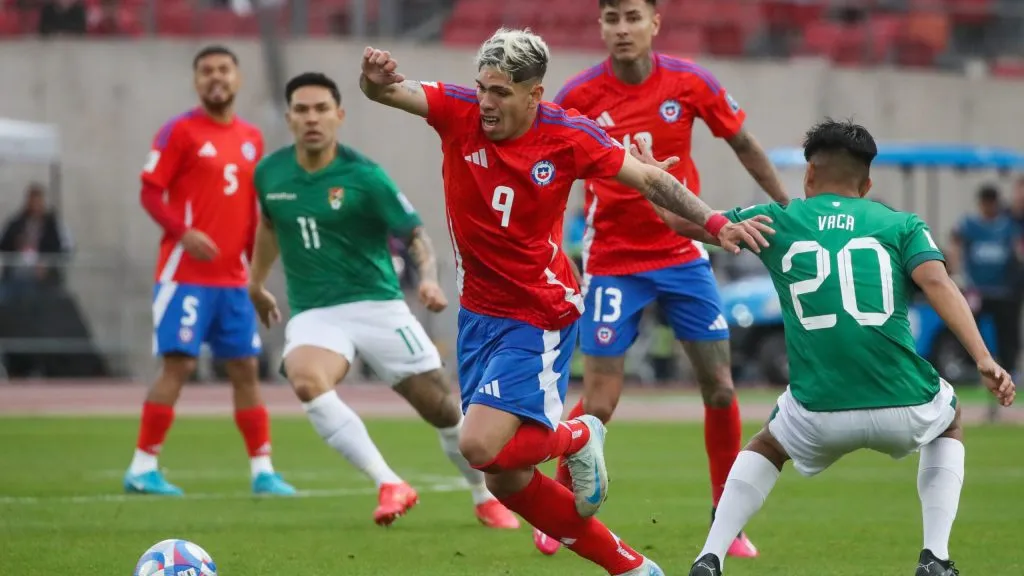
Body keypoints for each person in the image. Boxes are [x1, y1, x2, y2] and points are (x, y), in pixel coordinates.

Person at [359, 27, 772, 575]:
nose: (486, 102)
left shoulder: (568, 135)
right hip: (477, 315)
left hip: (539, 312)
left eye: (502, 92)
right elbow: (389, 92)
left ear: (535, 94)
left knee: (478, 446)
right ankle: (631, 566)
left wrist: (714, 222)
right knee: (504, 479)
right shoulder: (456, 111)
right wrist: (373, 80)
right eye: (483, 87)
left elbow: (649, 179)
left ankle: (576, 434)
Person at [646, 119, 1016, 576]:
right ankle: (935, 557)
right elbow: (938, 282)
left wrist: (651, 180)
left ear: (808, 175)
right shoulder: (900, 224)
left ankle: (710, 556)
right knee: (950, 420)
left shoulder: (776, 220)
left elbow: (681, 221)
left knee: (767, 446)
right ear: (867, 183)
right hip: (901, 401)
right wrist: (984, 359)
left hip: (818, 410)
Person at [545, 0, 790, 558]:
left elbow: (744, 143)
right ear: (600, 26)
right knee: (601, 400)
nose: (622, 28)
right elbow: (550, 169)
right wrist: (552, 244)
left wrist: (786, 206)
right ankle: (555, 505)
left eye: (633, 16)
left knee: (721, 386)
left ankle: (726, 521)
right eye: (611, 18)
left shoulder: (689, 82)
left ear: (655, 22)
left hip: (683, 254)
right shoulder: (579, 96)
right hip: (611, 260)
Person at [248, 72, 520, 529]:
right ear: (289, 117)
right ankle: (388, 482)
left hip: (379, 305)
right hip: (317, 312)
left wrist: (429, 280)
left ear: (339, 116)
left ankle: (482, 494)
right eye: (301, 109)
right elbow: (271, 226)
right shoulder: (269, 173)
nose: (311, 118)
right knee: (307, 380)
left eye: (320, 109)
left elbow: (415, 234)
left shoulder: (364, 176)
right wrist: (256, 283)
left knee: (442, 409)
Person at [126, 45, 295, 497]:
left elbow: (248, 213)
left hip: (234, 282)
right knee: (178, 365)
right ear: (196, 81)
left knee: (245, 370)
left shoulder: (252, 138)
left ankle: (263, 472)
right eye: (206, 71)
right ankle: (143, 468)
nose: (215, 77)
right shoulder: (178, 132)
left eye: (223, 69)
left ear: (237, 79)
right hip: (185, 277)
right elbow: (149, 192)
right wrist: (183, 233)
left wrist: (255, 276)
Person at [949, 185, 1023, 392]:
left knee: (1007, 334)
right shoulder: (970, 224)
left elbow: (1018, 248)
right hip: (977, 290)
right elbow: (955, 242)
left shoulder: (1008, 225)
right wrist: (955, 274)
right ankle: (969, 366)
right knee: (968, 326)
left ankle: (1009, 371)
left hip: (1003, 291)